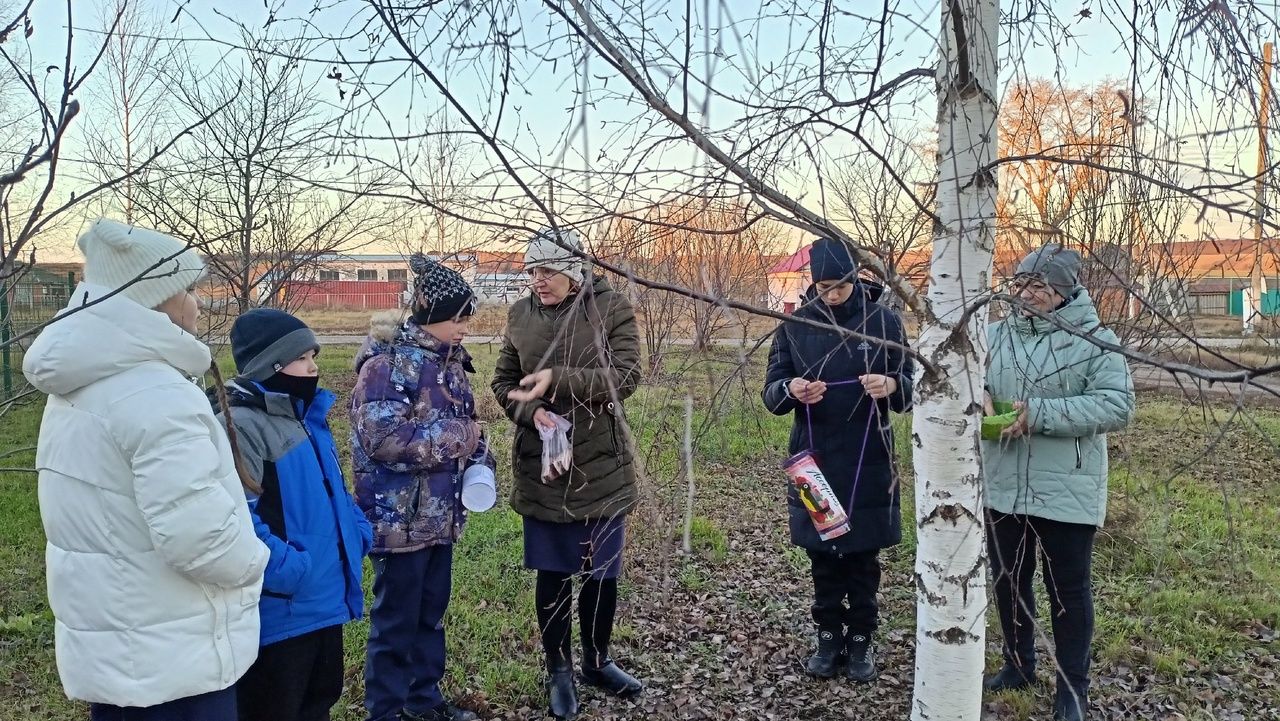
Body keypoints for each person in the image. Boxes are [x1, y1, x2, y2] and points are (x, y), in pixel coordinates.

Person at [22, 218, 269, 720]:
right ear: (159, 299)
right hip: (177, 659)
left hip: (123, 649)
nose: (198, 303)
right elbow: (199, 539)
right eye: (191, 290)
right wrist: (256, 562)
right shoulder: (157, 395)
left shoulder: (83, 381)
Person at [491, 228, 643, 720]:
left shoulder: (611, 308)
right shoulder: (520, 317)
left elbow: (626, 378)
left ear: (576, 271)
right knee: (553, 573)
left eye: (548, 271)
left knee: (601, 574)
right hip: (544, 468)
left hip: (601, 466)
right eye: (532, 271)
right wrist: (529, 413)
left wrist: (560, 380)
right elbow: (503, 384)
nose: (537, 281)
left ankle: (598, 662)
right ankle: (559, 670)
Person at [982, 244, 1135, 721]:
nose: (1027, 294)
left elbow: (1117, 405)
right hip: (1003, 478)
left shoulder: (1094, 339)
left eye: (1040, 287)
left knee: (1067, 590)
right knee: (1009, 581)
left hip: (1067, 486)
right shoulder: (992, 336)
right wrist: (980, 395)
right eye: (1021, 285)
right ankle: (1018, 665)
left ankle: (1072, 688)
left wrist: (1039, 415)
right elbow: (956, 377)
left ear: (1065, 292)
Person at [761, 237, 914, 682]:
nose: (831, 295)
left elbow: (911, 383)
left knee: (863, 558)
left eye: (840, 287)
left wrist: (891, 385)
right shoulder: (795, 325)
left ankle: (862, 639)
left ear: (854, 279)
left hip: (870, 460)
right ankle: (828, 637)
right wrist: (791, 390)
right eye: (823, 287)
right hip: (814, 458)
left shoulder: (883, 321)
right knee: (823, 556)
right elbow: (772, 391)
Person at [351, 254, 492, 721]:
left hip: (440, 517)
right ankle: (386, 710)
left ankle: (423, 702)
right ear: (433, 317)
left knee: (429, 617)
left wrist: (480, 458)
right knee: (395, 623)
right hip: (398, 521)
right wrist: (464, 438)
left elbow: (468, 429)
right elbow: (385, 439)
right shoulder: (386, 367)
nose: (465, 328)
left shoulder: (448, 364)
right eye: (459, 319)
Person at [214, 308, 373, 721]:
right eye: (304, 358)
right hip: (283, 609)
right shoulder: (241, 426)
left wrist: (356, 531)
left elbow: (330, 490)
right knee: (276, 708)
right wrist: (286, 569)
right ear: (274, 365)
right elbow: (236, 518)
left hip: (323, 601)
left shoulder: (305, 418)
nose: (314, 367)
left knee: (318, 701)